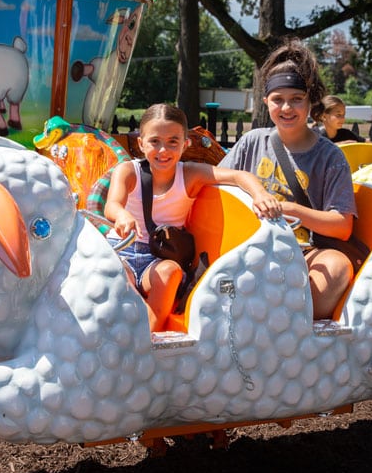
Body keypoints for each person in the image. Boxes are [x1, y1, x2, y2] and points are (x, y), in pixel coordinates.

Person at [105, 103, 282, 332]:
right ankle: (126, 329)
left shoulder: (190, 174)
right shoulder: (129, 171)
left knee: (171, 273)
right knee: (111, 272)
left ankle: (147, 337)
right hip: (123, 249)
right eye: (154, 141)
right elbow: (112, 204)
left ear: (185, 144)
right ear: (141, 143)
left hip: (159, 256)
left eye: (172, 142)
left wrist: (260, 194)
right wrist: (122, 215)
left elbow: (239, 176)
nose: (163, 151)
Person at [218, 38, 357, 321]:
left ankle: (295, 331)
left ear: (310, 102)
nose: (286, 108)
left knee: (337, 266)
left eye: (296, 99)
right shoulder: (251, 142)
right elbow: (214, 179)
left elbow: (343, 226)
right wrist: (247, 181)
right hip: (247, 249)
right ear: (266, 101)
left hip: (303, 253)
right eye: (278, 99)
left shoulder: (330, 157)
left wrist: (291, 210)